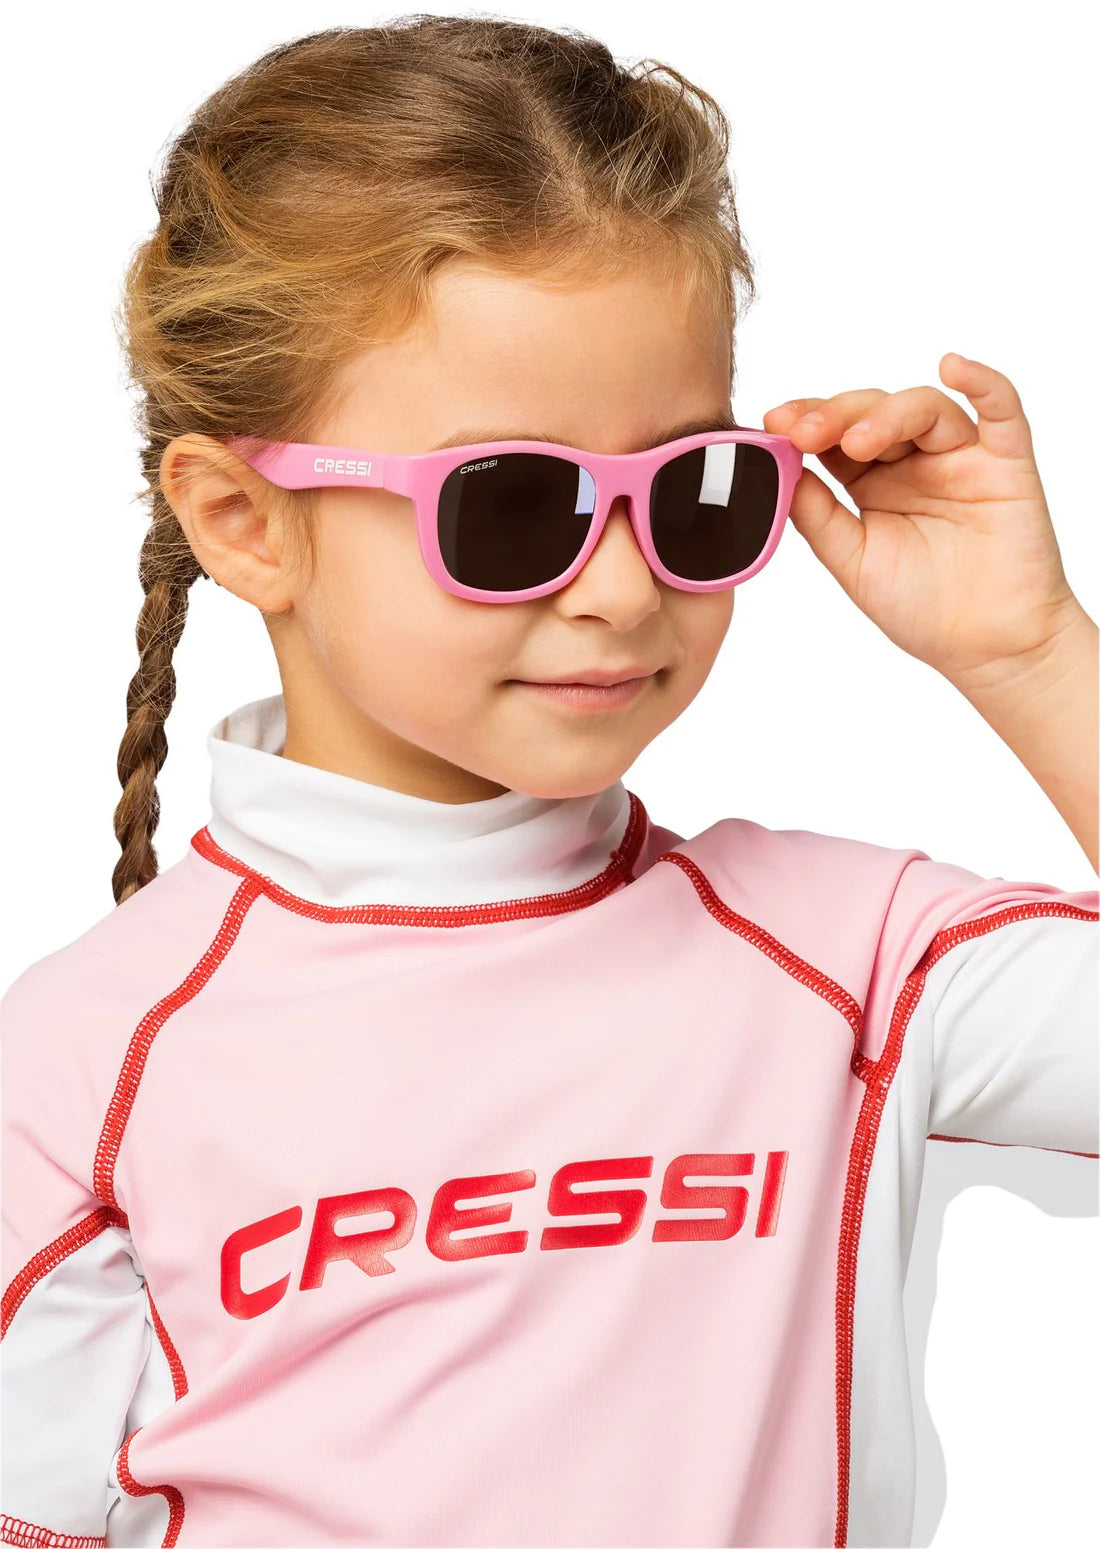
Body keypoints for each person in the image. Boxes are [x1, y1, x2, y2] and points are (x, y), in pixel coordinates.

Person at [1, 15, 1096, 1549]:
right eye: (515, 506)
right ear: (244, 520)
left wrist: (1032, 653)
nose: (623, 588)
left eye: (696, 490)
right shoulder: (74, 1067)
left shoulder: (853, 966)